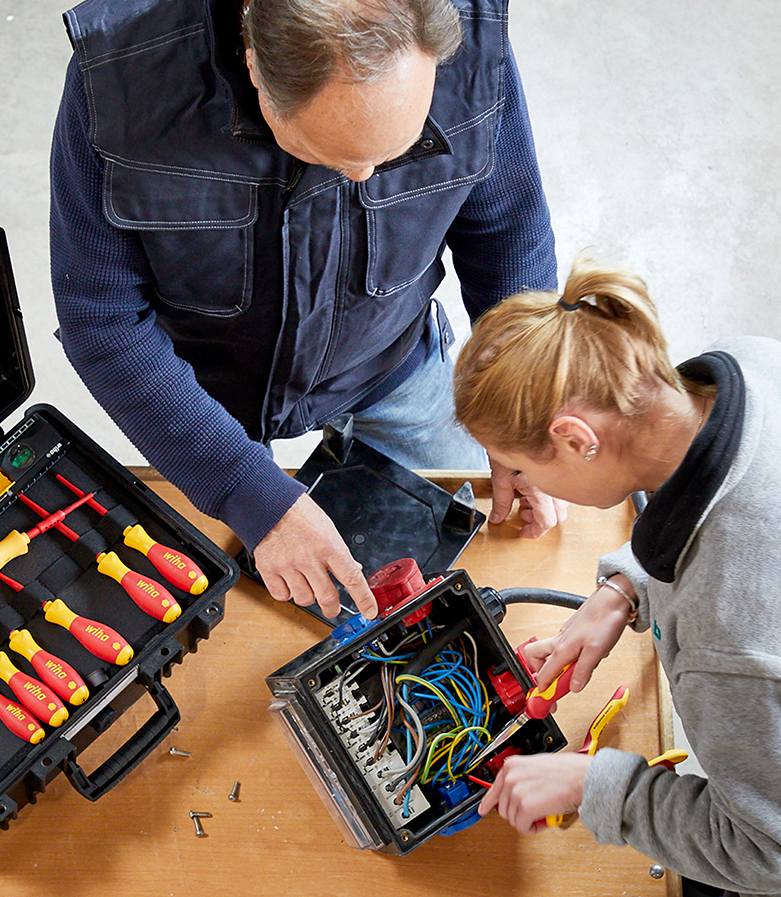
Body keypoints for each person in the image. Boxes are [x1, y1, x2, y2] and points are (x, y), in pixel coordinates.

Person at [49, 0, 566, 621]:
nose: (366, 174)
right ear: (256, 71)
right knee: (242, 618)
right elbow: (102, 320)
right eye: (339, 155)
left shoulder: (469, 41)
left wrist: (521, 406)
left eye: (396, 152)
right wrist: (248, 492)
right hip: (205, 399)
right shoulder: (121, 79)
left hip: (392, 363)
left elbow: (509, 232)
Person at [459, 258, 781, 897]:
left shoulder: (738, 630)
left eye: (518, 466)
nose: (522, 484)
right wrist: (626, 586)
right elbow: (741, 504)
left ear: (573, 438)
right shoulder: (755, 369)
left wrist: (595, 787)